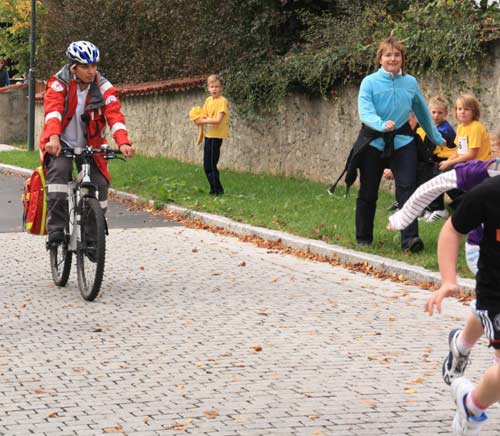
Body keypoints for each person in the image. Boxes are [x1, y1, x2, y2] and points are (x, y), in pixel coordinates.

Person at [40, 40, 135, 246]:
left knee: (100, 184)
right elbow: (53, 112)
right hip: (61, 142)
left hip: (91, 144)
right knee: (58, 176)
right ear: (74, 67)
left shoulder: (103, 87)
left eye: (94, 65)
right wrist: (53, 138)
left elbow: (115, 116)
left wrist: (124, 142)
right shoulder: (59, 83)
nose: (91, 71)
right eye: (85, 66)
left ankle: (93, 238)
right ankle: (56, 229)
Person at [425, 175, 500, 435]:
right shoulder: (490, 193)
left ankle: (470, 405)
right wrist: (448, 280)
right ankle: (471, 405)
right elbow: (452, 230)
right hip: (497, 294)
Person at [355, 36, 445, 252]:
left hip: (403, 142)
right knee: (368, 191)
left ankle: (410, 241)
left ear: (402, 59)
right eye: (388, 55)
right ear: (380, 59)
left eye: (397, 55)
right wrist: (380, 124)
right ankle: (363, 237)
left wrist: (436, 137)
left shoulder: (410, 82)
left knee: (407, 189)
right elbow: (365, 111)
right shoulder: (369, 82)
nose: (392, 58)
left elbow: (422, 110)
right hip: (374, 142)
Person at [415, 96, 456, 222]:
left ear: (446, 114)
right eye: (433, 112)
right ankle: (429, 207)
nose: (436, 115)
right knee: (422, 171)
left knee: (431, 174)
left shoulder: (445, 129)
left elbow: (433, 147)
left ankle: (438, 208)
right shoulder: (428, 126)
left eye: (440, 113)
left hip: (447, 160)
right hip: (436, 159)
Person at [194, 74, 229, 196]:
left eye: (217, 86)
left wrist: (203, 121)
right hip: (208, 136)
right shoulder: (208, 100)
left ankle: (217, 191)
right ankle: (215, 189)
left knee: (211, 165)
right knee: (206, 165)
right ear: (208, 88)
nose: (214, 89)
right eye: (212, 86)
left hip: (216, 137)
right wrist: (196, 117)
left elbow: (218, 120)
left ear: (221, 88)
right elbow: (203, 114)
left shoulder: (222, 101)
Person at [439, 94, 491, 172]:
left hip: (477, 167)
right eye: (460, 109)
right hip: (464, 164)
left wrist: (450, 163)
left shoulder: (475, 127)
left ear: (474, 112)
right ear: (456, 111)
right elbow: (459, 150)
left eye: (466, 109)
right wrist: (448, 161)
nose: (462, 112)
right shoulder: (461, 127)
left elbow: (471, 154)